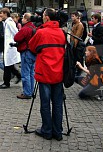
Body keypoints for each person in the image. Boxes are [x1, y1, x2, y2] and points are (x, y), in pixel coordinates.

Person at [28, 8, 66, 141]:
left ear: (47, 18)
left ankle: (47, 130)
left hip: (44, 72)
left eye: (43, 16)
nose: (41, 17)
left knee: (45, 103)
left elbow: (31, 47)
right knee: (57, 103)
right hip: (58, 72)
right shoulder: (62, 32)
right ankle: (58, 131)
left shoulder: (41, 32)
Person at [13, 12, 36, 99]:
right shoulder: (34, 27)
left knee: (25, 73)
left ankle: (27, 93)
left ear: (26, 19)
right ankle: (31, 91)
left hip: (26, 52)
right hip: (33, 52)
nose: (21, 19)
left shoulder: (26, 28)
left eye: (23, 18)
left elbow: (16, 38)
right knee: (31, 73)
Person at [0, 8, 21, 89]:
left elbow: (16, 33)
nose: (0, 15)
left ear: (5, 13)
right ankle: (18, 75)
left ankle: (6, 82)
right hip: (8, 46)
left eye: (1, 14)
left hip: (10, 47)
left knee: (7, 65)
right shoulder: (7, 22)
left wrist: (13, 42)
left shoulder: (9, 23)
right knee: (9, 64)